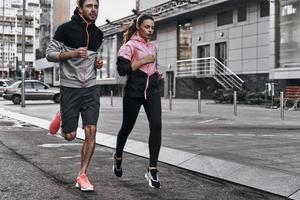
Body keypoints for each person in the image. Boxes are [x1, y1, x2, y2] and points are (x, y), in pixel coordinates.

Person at [46, 0, 103, 192]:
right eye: (89, 6)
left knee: (91, 131)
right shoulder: (65, 30)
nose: (93, 10)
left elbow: (93, 58)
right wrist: (71, 53)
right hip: (70, 87)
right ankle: (62, 114)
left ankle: (82, 174)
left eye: (96, 6)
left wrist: (97, 64)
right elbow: (50, 54)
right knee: (69, 135)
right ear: (80, 8)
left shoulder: (98, 34)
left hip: (91, 89)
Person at [113, 14, 162, 188]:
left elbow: (152, 68)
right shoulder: (129, 46)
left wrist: (157, 73)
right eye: (147, 27)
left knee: (156, 125)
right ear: (139, 26)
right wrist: (141, 61)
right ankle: (118, 157)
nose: (150, 30)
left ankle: (152, 169)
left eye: (152, 28)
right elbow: (122, 70)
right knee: (127, 127)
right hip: (134, 92)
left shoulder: (153, 47)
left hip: (152, 91)